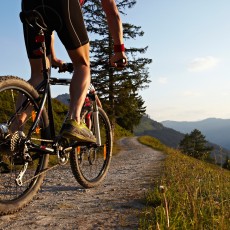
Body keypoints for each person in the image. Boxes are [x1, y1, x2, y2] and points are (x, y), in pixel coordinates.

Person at [21, 0, 127, 143]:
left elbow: (48, 27)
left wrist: (53, 57)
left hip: (30, 4)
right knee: (82, 65)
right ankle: (74, 120)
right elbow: (112, 13)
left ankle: (13, 130)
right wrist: (119, 50)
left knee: (38, 75)